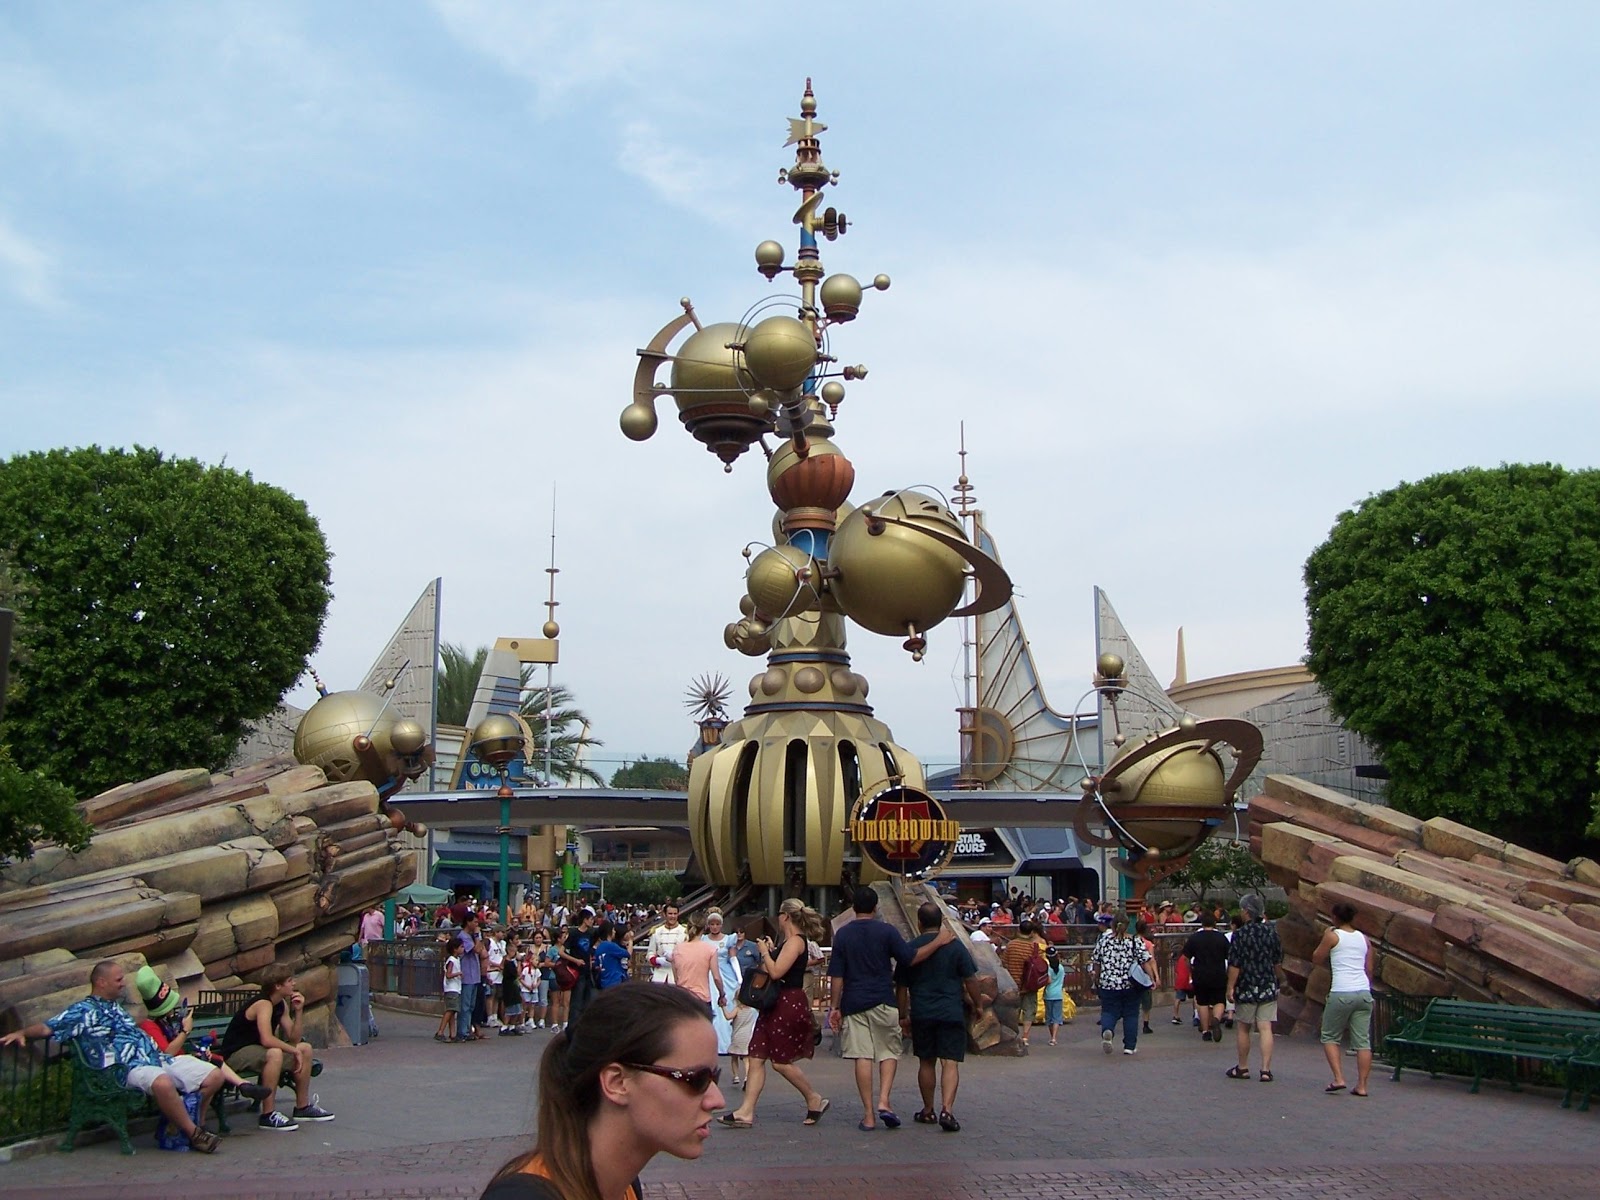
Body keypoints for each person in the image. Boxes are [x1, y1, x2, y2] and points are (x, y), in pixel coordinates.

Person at [479, 983, 723, 1200]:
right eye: (697, 1079)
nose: (717, 1100)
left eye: (715, 1077)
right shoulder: (524, 1195)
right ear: (616, 1082)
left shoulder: (623, 1185)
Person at [1, 961, 226, 1153]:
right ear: (101, 982)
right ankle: (195, 1134)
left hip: (157, 1059)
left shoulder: (116, 1008)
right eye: (118, 979)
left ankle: (189, 1120)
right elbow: (47, 1027)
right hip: (126, 1069)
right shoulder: (83, 1010)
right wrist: (22, 1032)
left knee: (215, 1076)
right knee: (163, 1083)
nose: (123, 983)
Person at [827, 887, 955, 1131]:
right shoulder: (887, 931)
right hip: (884, 1000)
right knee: (888, 1052)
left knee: (862, 1056)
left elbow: (837, 974)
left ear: (853, 908)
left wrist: (834, 1007)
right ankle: (884, 1100)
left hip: (854, 1002)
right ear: (875, 908)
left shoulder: (843, 934)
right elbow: (910, 958)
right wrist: (938, 941)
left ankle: (868, 1115)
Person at [718, 898, 831, 1130]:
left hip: (787, 1002)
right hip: (774, 1003)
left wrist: (764, 953)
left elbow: (777, 972)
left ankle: (813, 1097)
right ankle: (745, 1111)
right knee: (756, 1056)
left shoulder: (796, 941)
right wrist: (769, 953)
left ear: (786, 916)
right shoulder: (787, 942)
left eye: (779, 914)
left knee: (780, 1061)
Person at [895, 900, 986, 1132]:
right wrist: (978, 1005)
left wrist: (902, 1015)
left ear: (919, 922)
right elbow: (971, 979)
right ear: (941, 922)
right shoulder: (956, 947)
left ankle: (928, 1110)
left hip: (922, 1012)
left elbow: (901, 987)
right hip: (951, 1011)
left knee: (926, 1061)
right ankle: (947, 1110)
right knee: (950, 1062)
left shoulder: (911, 949)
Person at [217, 964, 334, 1130]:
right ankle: (268, 1114)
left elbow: (294, 1037)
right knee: (275, 1053)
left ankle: (302, 1107)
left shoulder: (280, 1004)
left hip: (257, 1051)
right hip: (236, 1053)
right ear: (278, 986)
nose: (294, 983)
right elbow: (266, 1039)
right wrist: (292, 1050)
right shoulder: (263, 1003)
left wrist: (299, 1011)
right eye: (289, 980)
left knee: (305, 1048)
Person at [131, 966, 274, 1101]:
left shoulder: (164, 1022)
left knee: (212, 1059)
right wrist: (185, 1031)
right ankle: (237, 1086)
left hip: (180, 1062)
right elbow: (168, 1052)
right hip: (170, 1068)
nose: (173, 1007)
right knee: (211, 1072)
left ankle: (243, 1084)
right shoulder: (149, 1026)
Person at [1312, 901, 1376, 1096]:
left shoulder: (1333, 936)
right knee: (1363, 1042)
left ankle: (1339, 1078)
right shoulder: (1364, 939)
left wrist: (1326, 935)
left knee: (1330, 1036)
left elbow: (1316, 958)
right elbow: (1369, 968)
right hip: (1363, 991)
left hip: (1341, 991)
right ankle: (1362, 1086)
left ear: (1334, 917)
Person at [1225, 893, 1285, 1082]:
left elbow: (1235, 964)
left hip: (1246, 984)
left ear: (1246, 911)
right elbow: (1277, 960)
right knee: (1265, 1027)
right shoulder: (1271, 932)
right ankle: (1266, 1069)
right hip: (1267, 983)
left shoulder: (1240, 934)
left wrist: (1230, 987)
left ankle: (1243, 1067)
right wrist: (1280, 979)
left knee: (1244, 1027)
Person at [1088, 916, 1153, 1055]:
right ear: (1128, 925)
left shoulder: (1104, 940)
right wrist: (1152, 979)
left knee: (1108, 1011)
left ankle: (1108, 1030)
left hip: (1108, 983)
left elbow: (1096, 962)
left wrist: (1097, 979)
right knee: (1131, 1014)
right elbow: (1145, 961)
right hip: (1130, 984)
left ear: (1112, 925)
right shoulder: (1135, 940)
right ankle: (1129, 1046)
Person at [1182, 912, 1230, 1042]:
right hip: (1218, 973)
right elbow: (1229, 956)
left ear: (1202, 923)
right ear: (1215, 923)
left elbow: (1186, 957)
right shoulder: (1221, 938)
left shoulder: (1194, 938)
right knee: (1219, 1001)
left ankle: (1205, 1031)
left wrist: (1190, 969)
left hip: (1200, 974)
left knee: (1202, 1002)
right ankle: (1216, 1019)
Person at [1000, 920, 1048, 1047]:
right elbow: (1040, 966)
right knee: (1029, 1010)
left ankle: (1013, 1034)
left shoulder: (1011, 945)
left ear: (1019, 930)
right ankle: (1025, 1036)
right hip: (1029, 984)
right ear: (1031, 932)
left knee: (1013, 1009)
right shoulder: (1034, 947)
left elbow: (1003, 962)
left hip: (1012, 983)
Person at [669, 912, 727, 1015]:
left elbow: (676, 977)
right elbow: (717, 978)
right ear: (705, 928)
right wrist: (722, 994)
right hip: (702, 998)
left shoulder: (678, 949)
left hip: (683, 998)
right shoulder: (710, 949)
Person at [706, 910, 740, 1054]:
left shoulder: (728, 939)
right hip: (708, 975)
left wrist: (739, 977)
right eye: (712, 924)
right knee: (712, 1006)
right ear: (708, 925)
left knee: (726, 1006)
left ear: (721, 925)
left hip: (725, 975)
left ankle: (726, 1044)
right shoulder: (703, 939)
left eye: (717, 924)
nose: (715, 927)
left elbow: (733, 958)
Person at [566, 909, 598, 1025]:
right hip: (577, 971)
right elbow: (562, 951)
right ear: (585, 920)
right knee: (577, 1001)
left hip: (587, 971)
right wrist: (575, 960)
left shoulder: (591, 934)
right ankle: (573, 1025)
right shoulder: (574, 934)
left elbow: (591, 949)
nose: (592, 922)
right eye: (590, 919)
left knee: (588, 1000)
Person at [645, 903, 687, 984]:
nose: (673, 916)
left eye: (675, 914)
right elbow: (650, 953)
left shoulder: (684, 931)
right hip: (659, 974)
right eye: (670, 914)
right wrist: (657, 960)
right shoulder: (656, 931)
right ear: (664, 914)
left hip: (678, 974)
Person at [547, 928, 574, 1033]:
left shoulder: (567, 950)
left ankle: (565, 1023)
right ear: (558, 939)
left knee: (566, 1002)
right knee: (556, 1001)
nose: (565, 939)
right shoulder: (552, 950)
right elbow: (547, 962)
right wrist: (558, 966)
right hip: (555, 977)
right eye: (563, 937)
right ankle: (554, 1024)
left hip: (566, 978)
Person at [1135, 918, 1158, 1035]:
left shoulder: (1131, 941)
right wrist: (1155, 977)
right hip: (1145, 974)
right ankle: (1146, 1023)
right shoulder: (1148, 944)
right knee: (1146, 1001)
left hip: (1133, 973)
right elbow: (1151, 960)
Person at [594, 921, 632, 992]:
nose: (614, 932)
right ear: (609, 931)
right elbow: (628, 954)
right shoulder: (610, 946)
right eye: (613, 930)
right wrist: (630, 941)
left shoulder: (599, 947)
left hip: (604, 981)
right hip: (614, 980)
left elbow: (597, 965)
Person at [438, 939, 463, 1041]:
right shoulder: (452, 960)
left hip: (455, 988)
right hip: (452, 988)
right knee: (450, 1010)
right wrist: (458, 973)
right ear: (455, 949)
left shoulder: (457, 959)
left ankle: (452, 1034)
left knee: (452, 1011)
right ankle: (440, 1031)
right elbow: (448, 975)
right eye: (461, 947)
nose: (463, 949)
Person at [1042, 947, 1067, 1046]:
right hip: (1058, 994)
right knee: (1057, 1017)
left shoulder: (1048, 968)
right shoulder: (1061, 968)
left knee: (1049, 1017)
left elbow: (1048, 981)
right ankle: (1054, 1038)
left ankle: (1052, 1036)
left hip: (1048, 994)